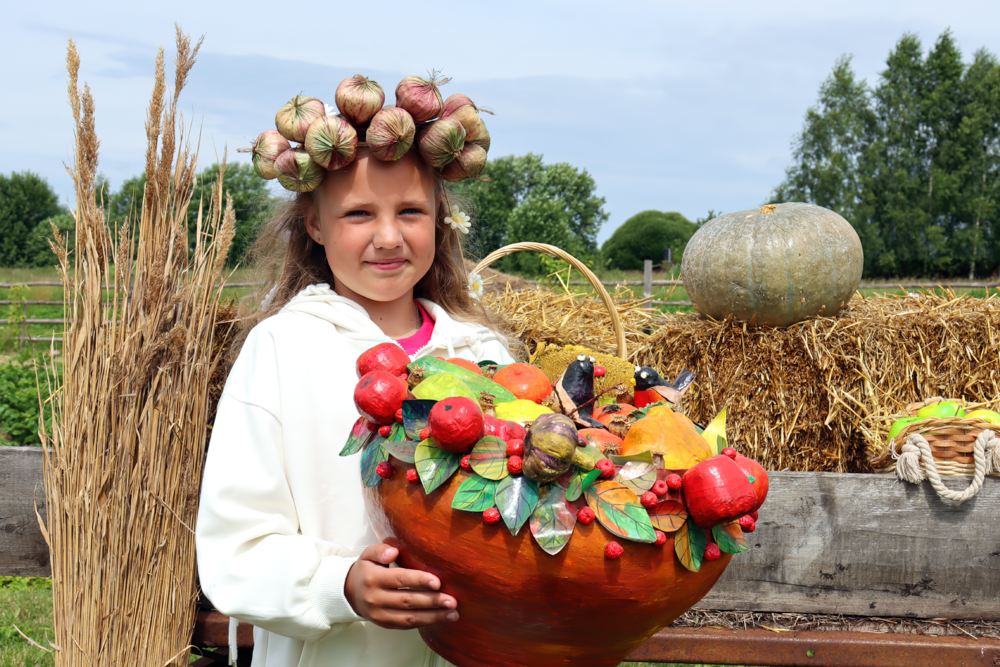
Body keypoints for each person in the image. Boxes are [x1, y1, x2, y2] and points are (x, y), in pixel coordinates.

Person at [195, 135, 517, 666]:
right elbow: (237, 549)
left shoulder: (484, 354)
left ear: (440, 218)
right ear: (315, 224)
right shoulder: (282, 349)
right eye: (359, 213)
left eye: (410, 211)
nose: (388, 237)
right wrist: (339, 585)